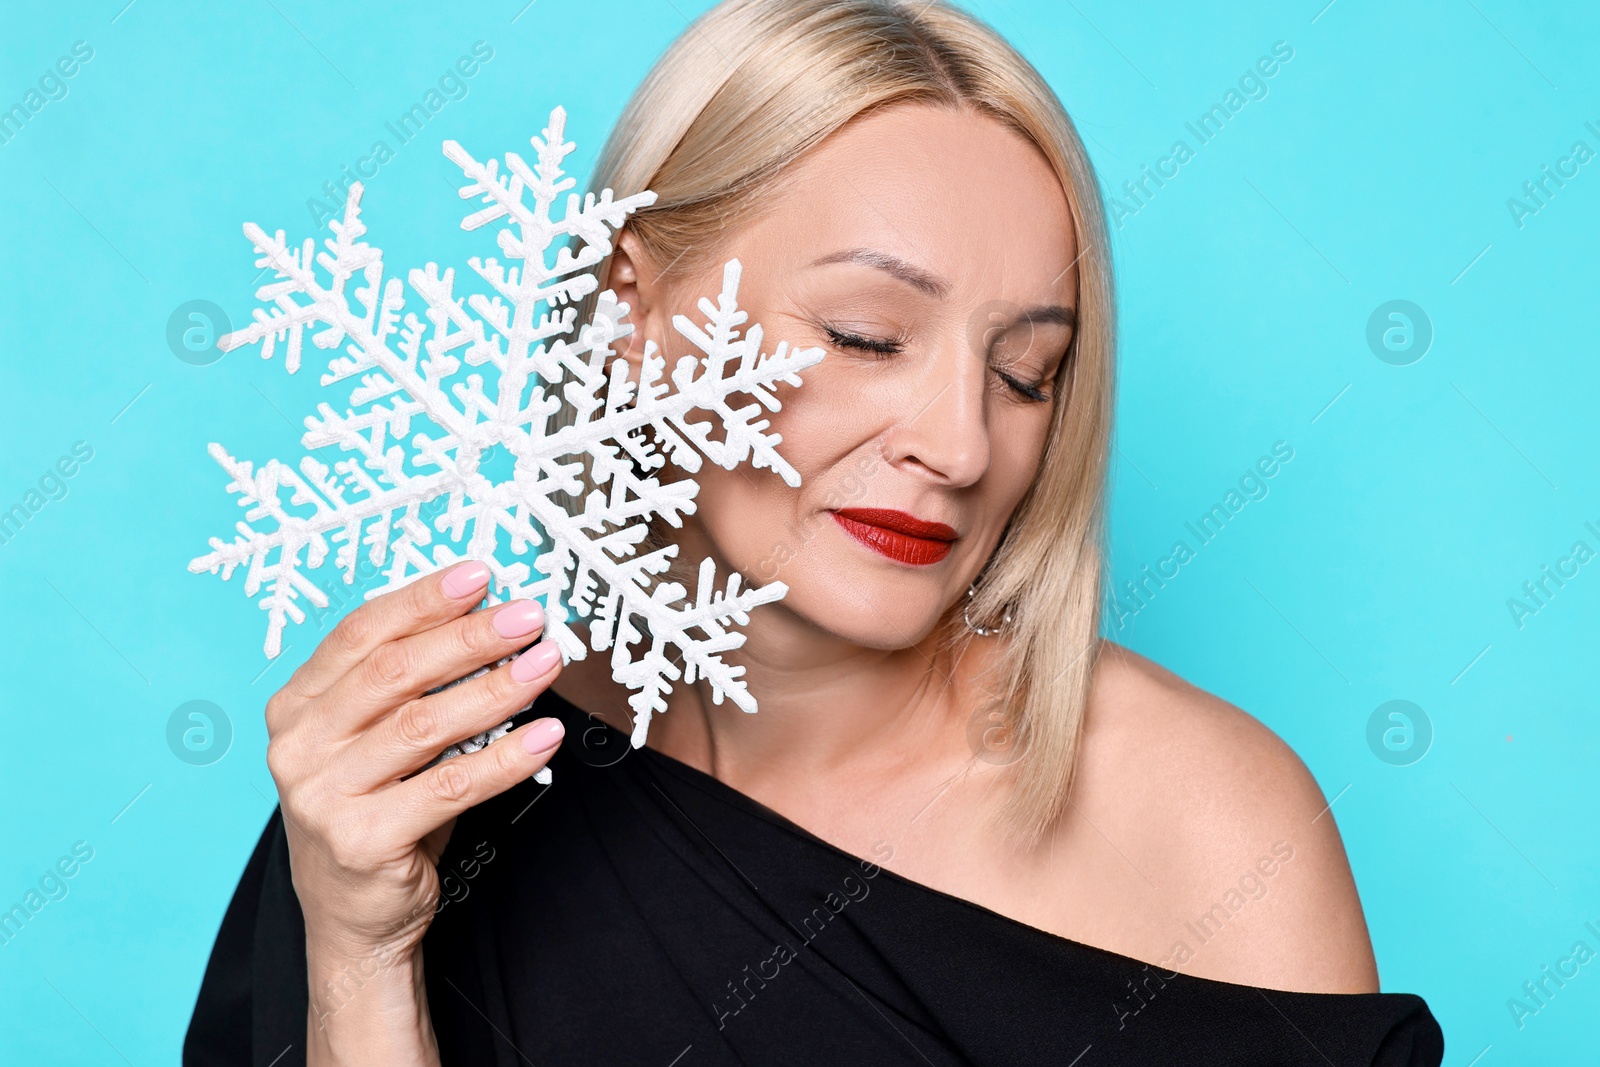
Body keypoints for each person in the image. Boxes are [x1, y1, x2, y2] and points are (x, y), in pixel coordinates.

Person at [183, 1, 1445, 1063]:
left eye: (1025, 372)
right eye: (864, 336)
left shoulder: (1203, 822)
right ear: (631, 308)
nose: (958, 445)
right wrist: (359, 957)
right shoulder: (422, 790)